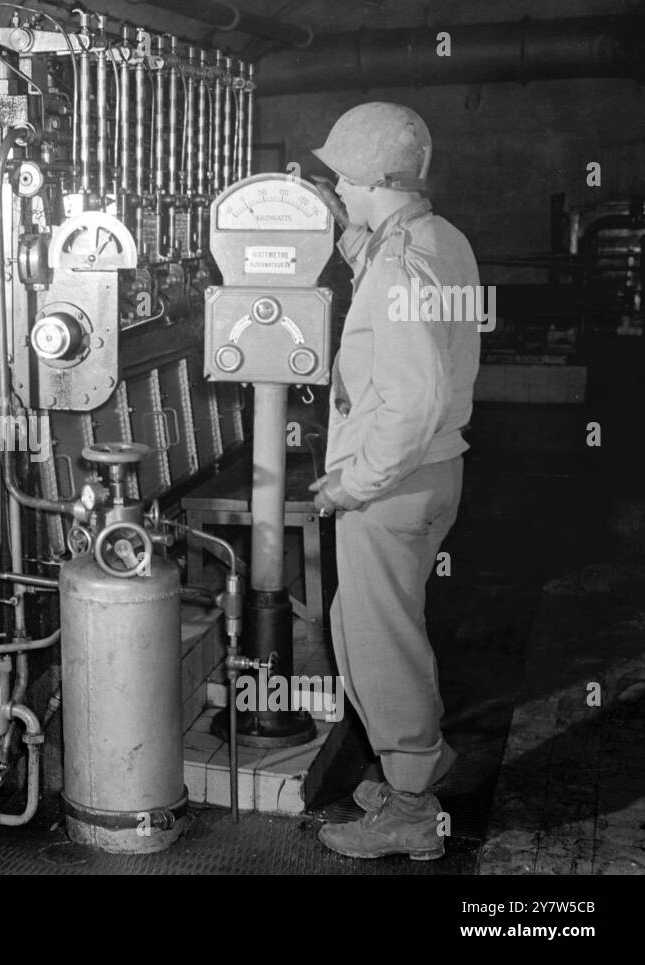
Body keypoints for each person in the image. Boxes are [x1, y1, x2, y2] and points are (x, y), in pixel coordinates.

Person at [306, 103, 481, 860]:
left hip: (394, 483)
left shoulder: (402, 263)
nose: (337, 186)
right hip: (436, 472)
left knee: (382, 642)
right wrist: (354, 249)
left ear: (377, 177)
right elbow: (415, 331)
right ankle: (415, 762)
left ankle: (412, 807)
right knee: (359, 622)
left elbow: (413, 399)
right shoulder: (440, 242)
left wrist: (357, 483)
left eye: (342, 175)